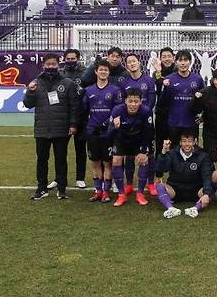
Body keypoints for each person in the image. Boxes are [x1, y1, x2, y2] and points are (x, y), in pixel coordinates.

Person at [23, 53, 79, 200]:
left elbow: (74, 106)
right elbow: (27, 104)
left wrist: (73, 124)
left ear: (58, 65)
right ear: (43, 66)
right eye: (48, 64)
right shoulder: (36, 83)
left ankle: (62, 189)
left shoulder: (67, 83)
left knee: (61, 160)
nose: (51, 67)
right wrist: (30, 92)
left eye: (53, 64)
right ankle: (42, 188)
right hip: (42, 129)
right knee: (42, 160)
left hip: (61, 129)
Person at [82, 59, 123, 203]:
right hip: (92, 132)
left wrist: (107, 124)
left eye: (106, 70)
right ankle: (97, 191)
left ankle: (106, 192)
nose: (103, 72)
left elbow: (117, 110)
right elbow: (84, 110)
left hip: (108, 132)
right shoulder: (89, 90)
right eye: (101, 70)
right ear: (96, 72)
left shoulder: (115, 90)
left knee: (107, 162)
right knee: (95, 162)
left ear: (109, 72)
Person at [109, 88, 155, 207]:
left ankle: (140, 194)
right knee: (116, 160)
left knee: (144, 160)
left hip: (139, 139)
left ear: (140, 102)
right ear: (125, 101)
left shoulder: (146, 111)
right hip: (122, 139)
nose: (133, 104)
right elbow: (109, 131)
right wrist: (114, 126)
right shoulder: (117, 110)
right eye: (130, 101)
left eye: (136, 101)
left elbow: (148, 132)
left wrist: (143, 151)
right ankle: (121, 194)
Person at [119, 53, 157, 195]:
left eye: (134, 61)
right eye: (129, 62)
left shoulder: (149, 80)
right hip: (130, 124)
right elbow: (123, 103)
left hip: (146, 123)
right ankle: (129, 183)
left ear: (139, 62)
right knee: (129, 154)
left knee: (150, 153)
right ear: (127, 65)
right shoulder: (124, 83)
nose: (132, 64)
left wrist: (142, 113)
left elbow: (152, 101)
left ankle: (151, 183)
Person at [155, 132, 213, 219]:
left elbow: (206, 176)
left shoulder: (203, 156)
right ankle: (171, 208)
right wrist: (163, 153)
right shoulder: (172, 153)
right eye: (184, 141)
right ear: (180, 142)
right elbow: (161, 169)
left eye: (189, 141)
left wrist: (207, 194)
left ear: (194, 142)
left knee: (211, 186)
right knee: (160, 186)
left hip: (196, 191)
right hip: (176, 190)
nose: (187, 144)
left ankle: (195, 209)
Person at [52, 49, 87, 189]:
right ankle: (58, 178)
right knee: (60, 150)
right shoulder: (60, 73)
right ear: (64, 59)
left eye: (73, 58)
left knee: (80, 149)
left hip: (81, 116)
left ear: (78, 59)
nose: (71, 60)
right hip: (63, 117)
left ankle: (80, 178)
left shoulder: (85, 73)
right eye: (68, 58)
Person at [157, 50, 204, 144]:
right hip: (174, 123)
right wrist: (165, 88)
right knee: (175, 152)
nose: (183, 63)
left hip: (191, 123)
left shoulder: (197, 79)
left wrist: (203, 116)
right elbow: (162, 102)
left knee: (192, 152)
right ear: (176, 62)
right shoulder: (169, 79)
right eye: (180, 60)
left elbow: (204, 100)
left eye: (185, 60)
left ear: (190, 62)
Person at [151, 47, 176, 191]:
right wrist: (158, 71)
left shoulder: (178, 71)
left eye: (169, 56)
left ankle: (174, 177)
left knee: (175, 146)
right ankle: (158, 178)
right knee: (160, 146)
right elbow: (160, 85)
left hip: (176, 115)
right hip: (161, 115)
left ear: (173, 58)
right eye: (164, 56)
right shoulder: (157, 73)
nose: (167, 58)